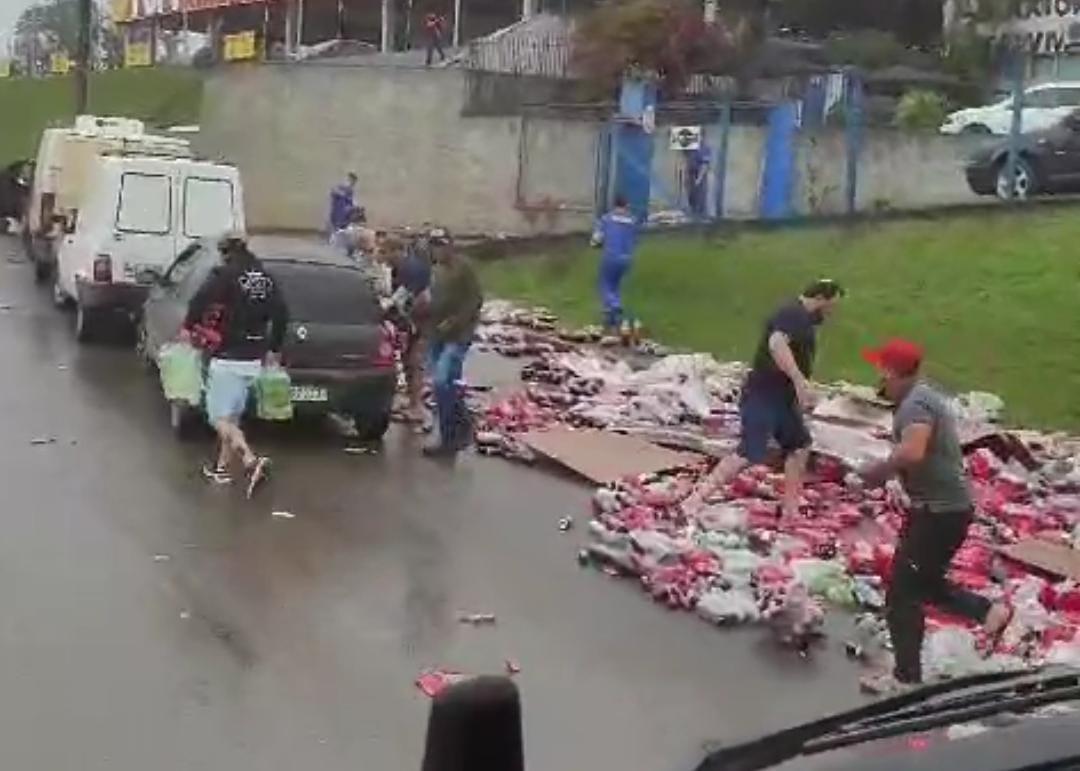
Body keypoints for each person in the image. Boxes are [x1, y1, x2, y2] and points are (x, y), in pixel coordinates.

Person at [856, 338, 1013, 695]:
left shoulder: (915, 405)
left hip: (939, 513)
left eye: (880, 368)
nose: (877, 375)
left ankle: (905, 680)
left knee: (902, 593)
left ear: (891, 371)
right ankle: (987, 612)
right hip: (943, 510)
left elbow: (913, 451)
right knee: (922, 583)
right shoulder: (921, 398)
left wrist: (875, 472)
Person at [683, 280, 845, 518]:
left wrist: (803, 385)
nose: (832, 311)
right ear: (820, 298)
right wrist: (799, 380)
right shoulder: (793, 313)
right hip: (763, 394)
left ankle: (791, 508)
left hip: (782, 397)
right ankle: (695, 499)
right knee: (749, 451)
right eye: (832, 305)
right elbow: (776, 344)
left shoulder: (804, 320)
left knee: (799, 446)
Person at [182, 233, 289, 497]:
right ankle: (221, 470)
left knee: (218, 418)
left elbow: (199, 301)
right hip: (254, 356)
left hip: (228, 354)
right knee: (231, 418)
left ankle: (251, 461)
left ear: (225, 252)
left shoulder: (225, 274)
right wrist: (274, 347)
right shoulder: (264, 277)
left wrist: (188, 327)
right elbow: (282, 313)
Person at [423, 228, 482, 456]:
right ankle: (462, 427)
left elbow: (474, 300)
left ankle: (450, 435)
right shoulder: (435, 270)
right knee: (445, 386)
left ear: (450, 245)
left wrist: (455, 322)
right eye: (434, 245)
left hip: (458, 335)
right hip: (436, 334)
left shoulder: (463, 268)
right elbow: (432, 300)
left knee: (441, 381)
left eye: (441, 244)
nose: (438, 250)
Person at [377, 233, 433, 426]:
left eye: (385, 252)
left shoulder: (412, 269)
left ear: (398, 251)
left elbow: (413, 299)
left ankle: (416, 407)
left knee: (414, 363)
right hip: (411, 321)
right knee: (409, 362)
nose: (382, 257)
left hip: (423, 321)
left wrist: (386, 310)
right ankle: (411, 402)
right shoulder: (399, 269)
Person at [590, 195, 639, 334]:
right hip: (627, 259)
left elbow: (597, 239)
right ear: (626, 205)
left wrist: (595, 244)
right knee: (615, 285)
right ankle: (613, 318)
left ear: (614, 205)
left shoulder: (607, 219)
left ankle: (614, 306)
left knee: (605, 284)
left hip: (611, 256)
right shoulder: (632, 221)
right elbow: (635, 239)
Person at [685, 141, 712, 219]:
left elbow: (705, 165)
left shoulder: (704, 148)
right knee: (691, 197)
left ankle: (701, 217)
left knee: (700, 198)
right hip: (691, 174)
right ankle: (693, 215)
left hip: (699, 175)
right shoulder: (691, 147)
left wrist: (699, 179)